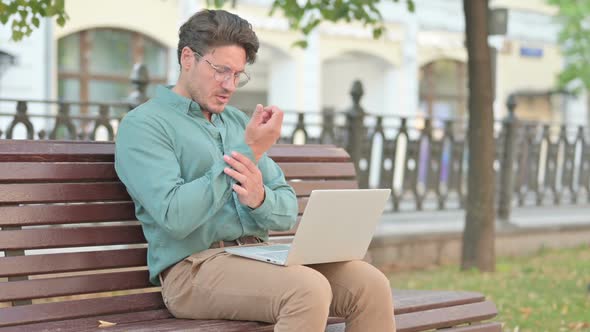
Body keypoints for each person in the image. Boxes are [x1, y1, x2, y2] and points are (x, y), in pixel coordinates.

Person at [114, 9, 396, 332]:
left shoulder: (235, 122)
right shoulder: (145, 125)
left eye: (237, 75)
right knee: (307, 290)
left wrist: (260, 200)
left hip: (260, 256)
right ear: (188, 58)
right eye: (221, 71)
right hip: (192, 270)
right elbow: (175, 216)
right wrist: (250, 151)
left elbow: (287, 210)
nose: (229, 85)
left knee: (370, 285)